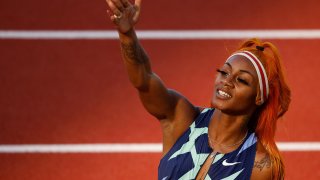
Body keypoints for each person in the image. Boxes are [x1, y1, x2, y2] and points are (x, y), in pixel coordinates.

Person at [105, 0, 291, 179]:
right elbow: (143, 80)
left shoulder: (260, 165)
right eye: (224, 72)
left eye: (241, 80)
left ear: (259, 97)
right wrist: (127, 34)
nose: (227, 81)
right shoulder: (181, 118)